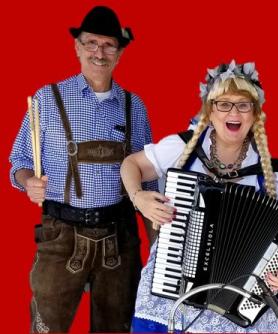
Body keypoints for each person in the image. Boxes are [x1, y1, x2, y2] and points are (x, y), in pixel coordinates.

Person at [121, 60, 278, 332]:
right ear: (210, 110)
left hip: (236, 308)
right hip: (172, 287)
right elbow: (130, 165)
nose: (234, 112)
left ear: (255, 113)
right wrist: (139, 197)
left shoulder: (275, 175)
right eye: (224, 103)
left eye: (243, 104)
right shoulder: (182, 149)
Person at [9, 6, 156, 333]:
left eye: (108, 45)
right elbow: (18, 161)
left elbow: (150, 179)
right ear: (77, 46)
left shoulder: (136, 107)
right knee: (46, 327)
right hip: (60, 235)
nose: (99, 53)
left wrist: (158, 242)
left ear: (119, 53)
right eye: (91, 43)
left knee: (117, 328)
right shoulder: (47, 99)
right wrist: (28, 181)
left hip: (120, 238)